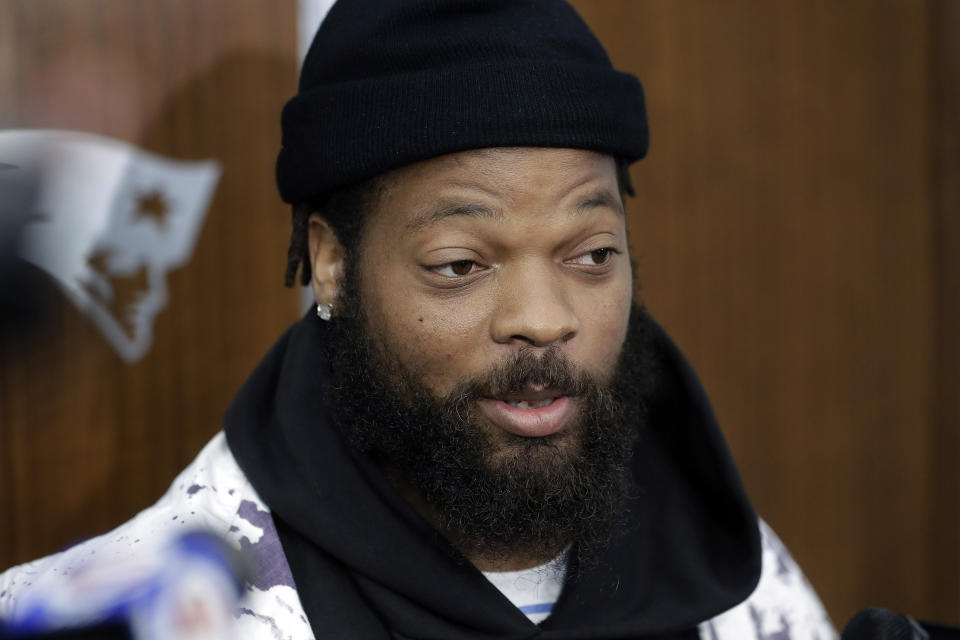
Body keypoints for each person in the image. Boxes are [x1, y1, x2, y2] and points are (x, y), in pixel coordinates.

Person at [1, 1, 838, 638]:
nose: (545, 321)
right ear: (330, 262)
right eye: (460, 266)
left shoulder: (742, 584)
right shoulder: (176, 608)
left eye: (591, 255)